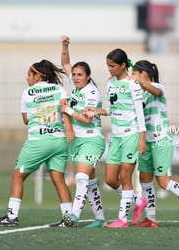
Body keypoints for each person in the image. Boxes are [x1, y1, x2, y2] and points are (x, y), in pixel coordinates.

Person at [0, 59, 74, 227]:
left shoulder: (27, 93)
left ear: (38, 76)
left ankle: (12, 217)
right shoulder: (59, 89)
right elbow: (65, 110)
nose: (27, 78)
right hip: (59, 140)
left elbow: (26, 120)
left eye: (29, 74)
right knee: (59, 180)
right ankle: (68, 218)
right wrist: (69, 129)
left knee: (17, 176)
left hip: (38, 141)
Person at [131, 59, 179, 228]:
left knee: (163, 181)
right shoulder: (138, 93)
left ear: (143, 74)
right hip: (146, 142)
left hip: (161, 140)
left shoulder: (158, 87)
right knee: (144, 179)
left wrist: (139, 83)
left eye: (134, 73)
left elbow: (156, 92)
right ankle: (150, 218)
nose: (131, 76)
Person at [84, 48, 147, 228]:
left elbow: (139, 112)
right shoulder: (111, 84)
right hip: (116, 137)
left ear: (122, 65)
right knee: (111, 180)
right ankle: (137, 201)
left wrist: (141, 139)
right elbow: (113, 109)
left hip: (131, 135)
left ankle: (122, 219)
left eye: (112, 66)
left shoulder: (133, 84)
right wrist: (97, 111)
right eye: (107, 66)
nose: (109, 69)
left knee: (126, 179)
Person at [56, 35, 107, 228]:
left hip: (92, 140)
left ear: (88, 76)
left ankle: (73, 215)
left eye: (79, 75)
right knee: (91, 181)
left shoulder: (91, 93)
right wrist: (64, 46)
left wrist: (67, 110)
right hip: (78, 141)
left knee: (81, 177)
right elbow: (65, 62)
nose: (75, 78)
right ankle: (100, 218)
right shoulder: (77, 87)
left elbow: (87, 118)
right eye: (74, 75)